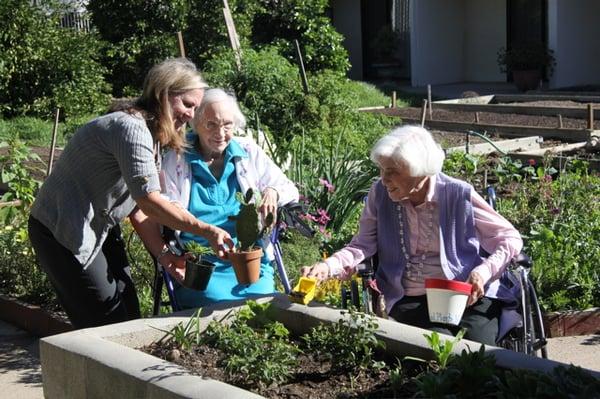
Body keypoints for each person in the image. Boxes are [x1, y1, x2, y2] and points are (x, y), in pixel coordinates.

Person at [28, 58, 234, 329]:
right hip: (60, 228)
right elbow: (149, 201)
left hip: (99, 225)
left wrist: (165, 255)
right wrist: (207, 230)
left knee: (128, 314)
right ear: (163, 94)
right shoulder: (131, 129)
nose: (190, 115)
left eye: (194, 107)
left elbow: (137, 210)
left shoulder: (152, 134)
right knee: (103, 322)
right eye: (187, 104)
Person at [302, 125, 523, 345]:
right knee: (435, 347)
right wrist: (327, 267)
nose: (384, 179)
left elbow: (510, 237)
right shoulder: (379, 193)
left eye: (392, 171)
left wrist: (483, 272)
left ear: (419, 171)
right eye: (382, 169)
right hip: (410, 298)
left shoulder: (457, 193)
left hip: (465, 295)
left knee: (480, 352)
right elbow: (362, 245)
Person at [153, 88, 299, 308]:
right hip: (200, 264)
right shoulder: (177, 158)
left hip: (249, 258)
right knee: (213, 302)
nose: (220, 133)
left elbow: (288, 188)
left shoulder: (249, 151)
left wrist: (273, 191)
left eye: (227, 125)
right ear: (196, 124)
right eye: (211, 124)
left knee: (263, 301)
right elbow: (166, 206)